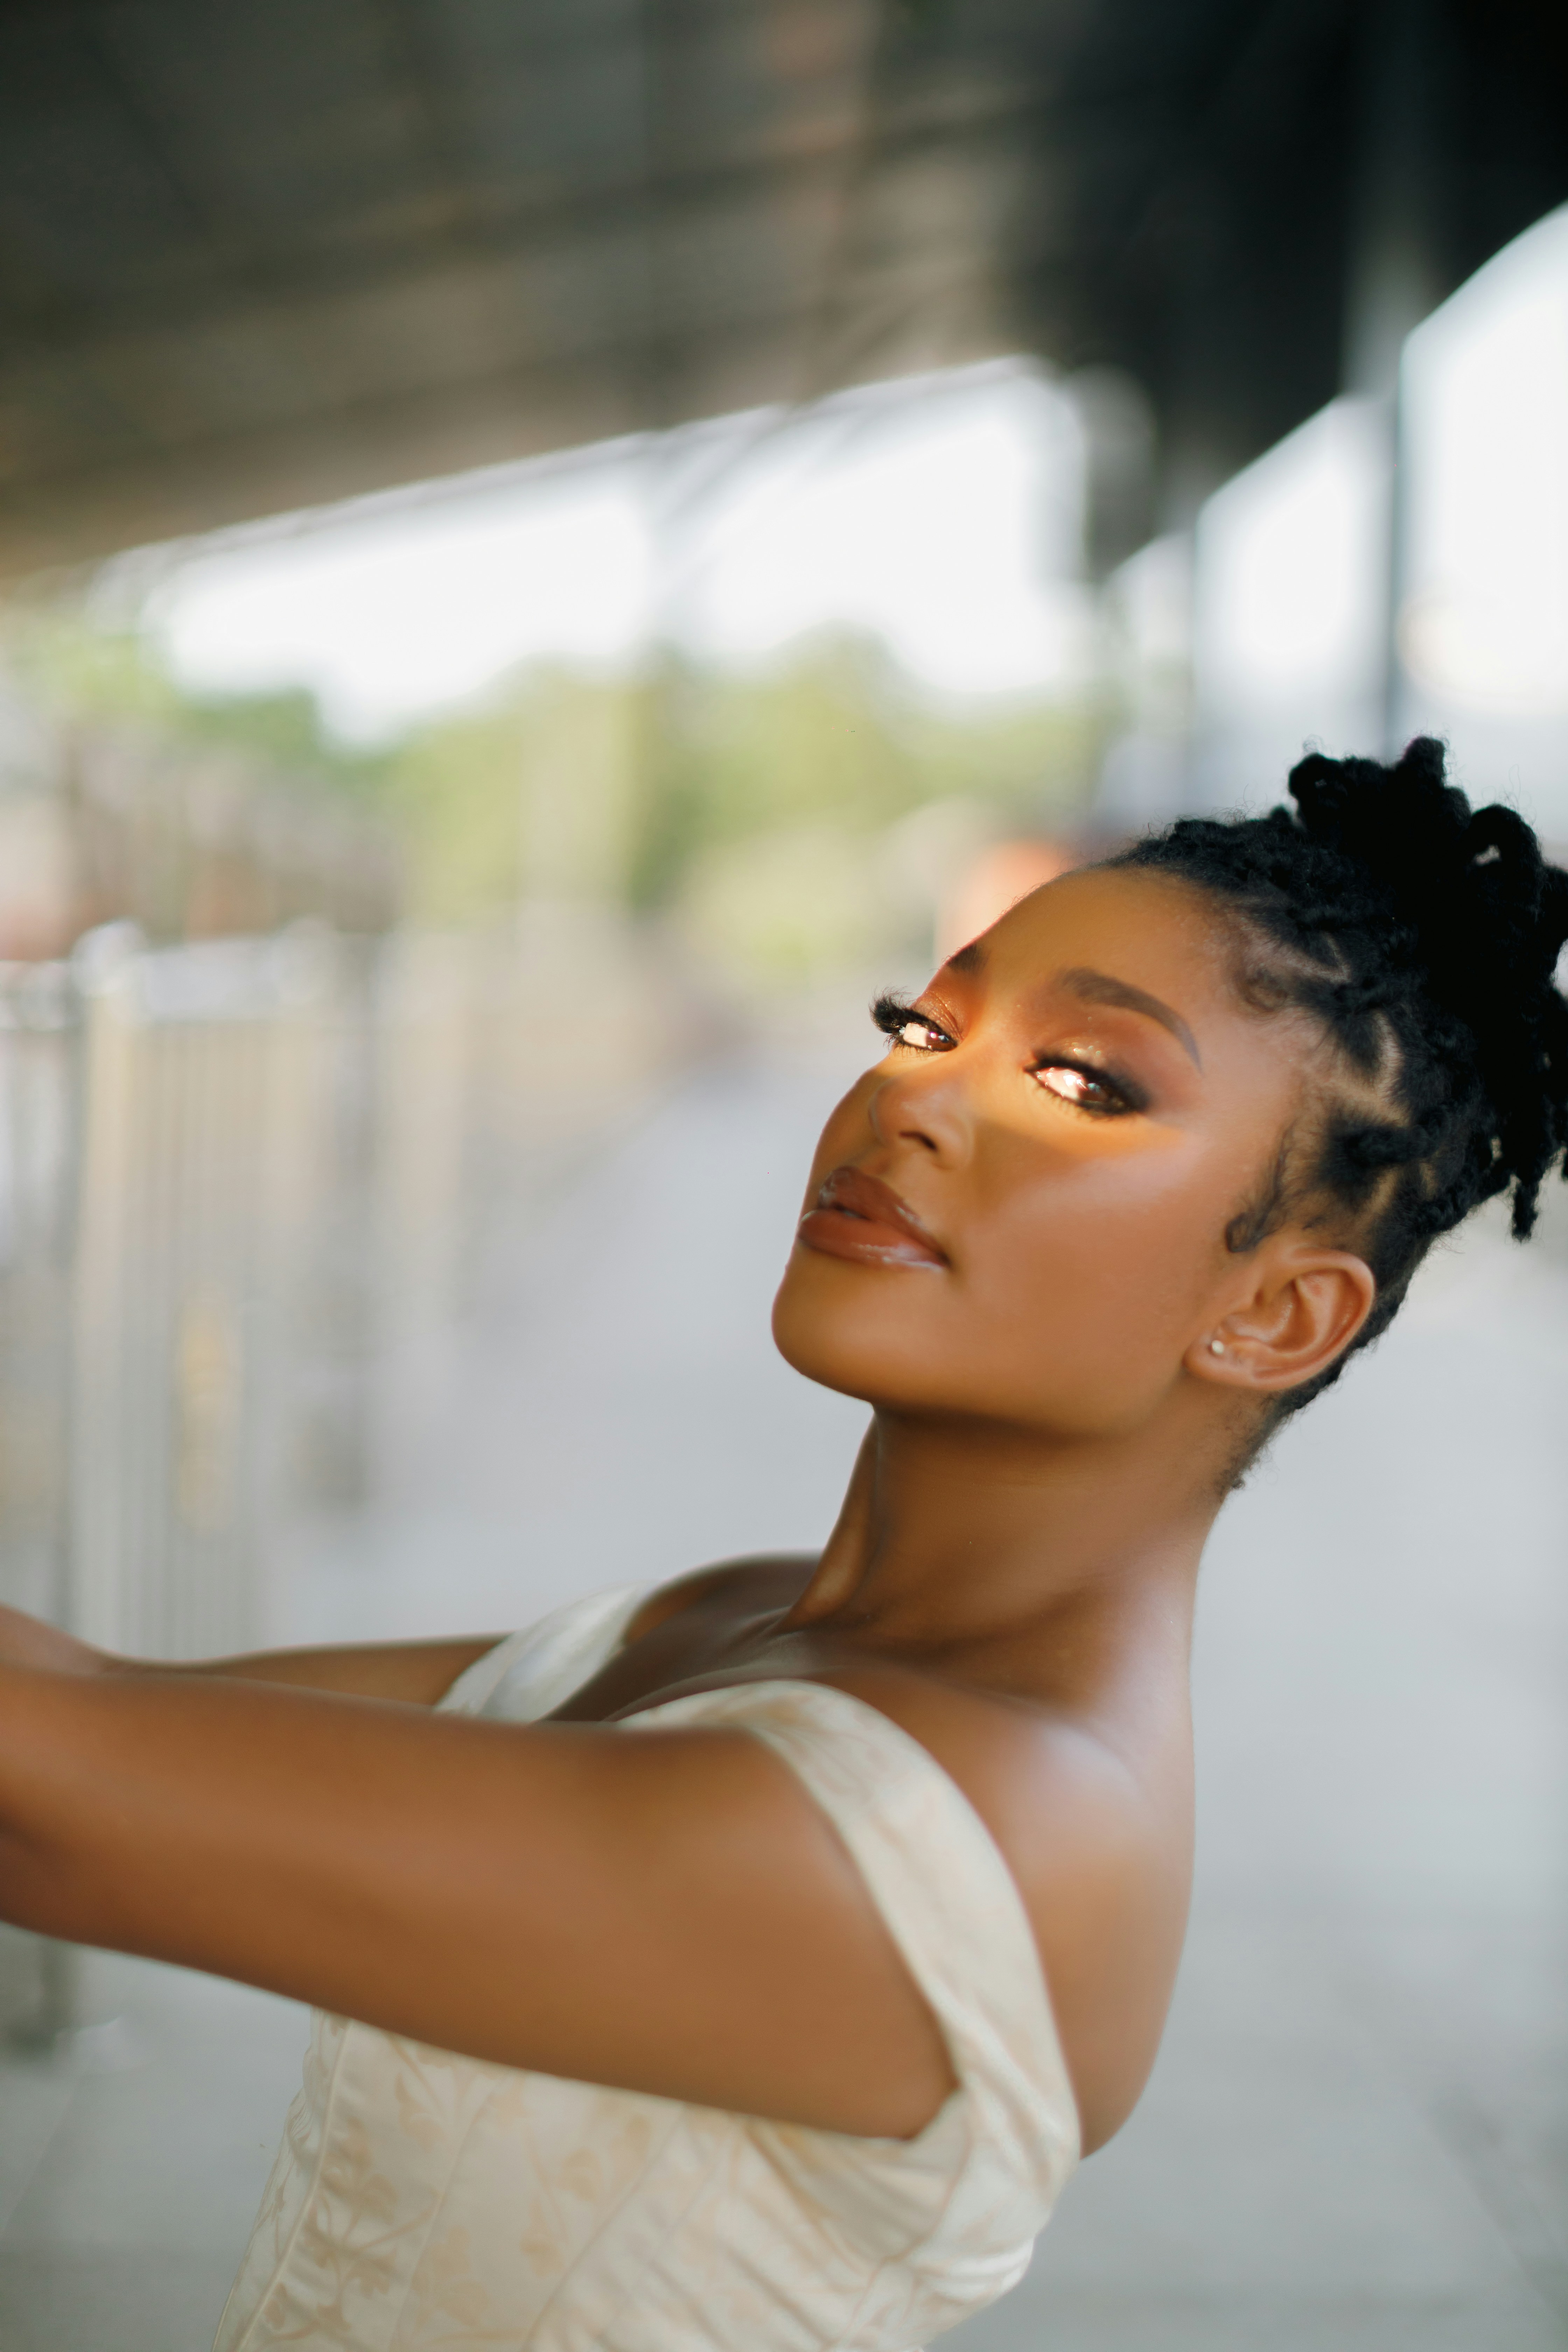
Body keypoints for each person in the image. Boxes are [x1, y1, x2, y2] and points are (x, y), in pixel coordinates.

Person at [1, 739, 1564, 2352]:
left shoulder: (967, 1835)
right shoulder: (725, 1625)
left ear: (1274, 1312)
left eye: (1083, 1081)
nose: (919, 1100)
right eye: (925, 1023)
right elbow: (99, 1712)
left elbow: (44, 1801)